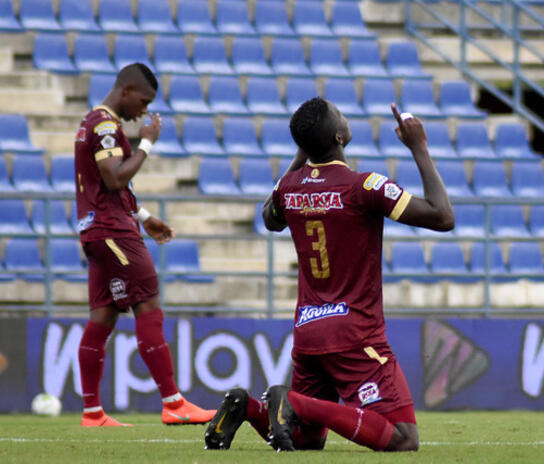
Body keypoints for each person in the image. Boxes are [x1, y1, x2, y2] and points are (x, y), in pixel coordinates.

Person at [204, 98, 454, 451]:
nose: (346, 117)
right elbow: (443, 216)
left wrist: (301, 153)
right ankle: (291, 401)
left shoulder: (289, 189)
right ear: (339, 136)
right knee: (403, 439)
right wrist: (419, 147)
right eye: (342, 116)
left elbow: (268, 217)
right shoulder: (364, 187)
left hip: (308, 331)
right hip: (355, 332)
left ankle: (248, 406)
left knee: (306, 438)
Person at [75, 63, 215, 427]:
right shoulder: (105, 125)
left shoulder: (93, 122)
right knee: (148, 301)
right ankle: (173, 403)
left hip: (97, 229)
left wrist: (144, 215)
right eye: (144, 101)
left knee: (102, 317)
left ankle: (92, 412)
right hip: (112, 232)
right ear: (126, 90)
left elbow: (108, 187)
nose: (145, 111)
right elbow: (114, 176)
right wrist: (148, 141)